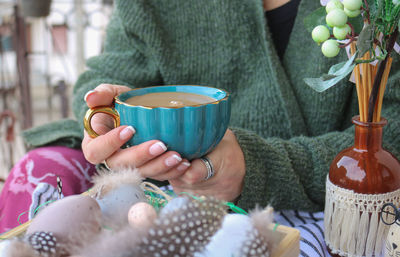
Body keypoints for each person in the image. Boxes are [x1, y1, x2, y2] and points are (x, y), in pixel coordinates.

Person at [1, 0, 399, 235]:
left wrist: (261, 167)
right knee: (37, 172)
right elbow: (110, 75)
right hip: (163, 185)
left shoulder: (378, 12)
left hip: (345, 197)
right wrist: (107, 120)